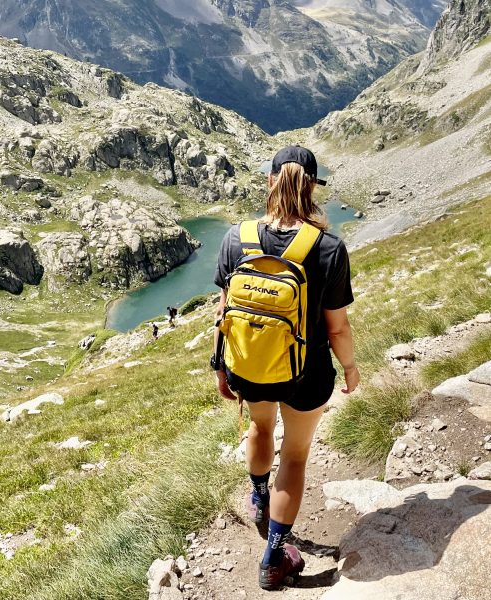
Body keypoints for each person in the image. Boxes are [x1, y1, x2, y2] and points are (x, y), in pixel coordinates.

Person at [211, 145, 360, 591]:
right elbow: (337, 327)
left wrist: (221, 366)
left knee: (259, 430)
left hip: (250, 364)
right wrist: (350, 367)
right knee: (294, 456)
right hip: (306, 371)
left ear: (270, 180)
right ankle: (274, 559)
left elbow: (223, 311)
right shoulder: (329, 247)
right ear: (312, 188)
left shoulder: (236, 237)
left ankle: (259, 498)